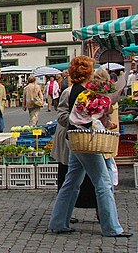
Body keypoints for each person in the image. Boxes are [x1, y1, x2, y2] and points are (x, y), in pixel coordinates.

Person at [48, 56, 132, 237]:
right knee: (103, 182)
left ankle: (58, 222)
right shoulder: (84, 92)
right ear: (88, 73)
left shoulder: (78, 91)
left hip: (75, 139)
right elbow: (71, 116)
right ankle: (112, 227)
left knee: (71, 182)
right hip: (87, 140)